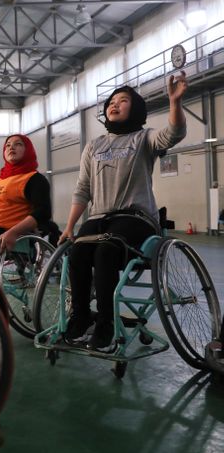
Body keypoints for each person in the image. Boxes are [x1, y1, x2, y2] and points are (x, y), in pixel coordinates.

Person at [60, 72, 188, 351]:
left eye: (123, 100)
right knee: (79, 252)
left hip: (135, 218)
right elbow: (83, 189)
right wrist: (70, 226)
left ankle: (106, 323)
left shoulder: (144, 138)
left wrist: (174, 103)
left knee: (106, 249)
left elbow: (174, 134)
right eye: (111, 102)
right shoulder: (94, 146)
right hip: (98, 217)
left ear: (137, 108)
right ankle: (81, 317)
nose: (114, 105)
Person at [0, 134, 53, 251]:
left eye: (18, 144)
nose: (11, 148)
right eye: (7, 145)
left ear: (28, 150)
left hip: (5, 232)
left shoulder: (34, 179)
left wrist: (14, 232)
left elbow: (43, 212)